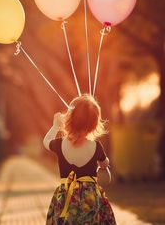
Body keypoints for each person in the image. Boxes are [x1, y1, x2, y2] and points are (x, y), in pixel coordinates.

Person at [43, 94, 117, 225]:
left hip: (66, 196)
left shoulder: (60, 144)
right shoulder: (96, 146)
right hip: (90, 199)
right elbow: (105, 163)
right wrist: (103, 164)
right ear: (94, 124)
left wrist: (55, 126)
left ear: (69, 120)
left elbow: (46, 141)